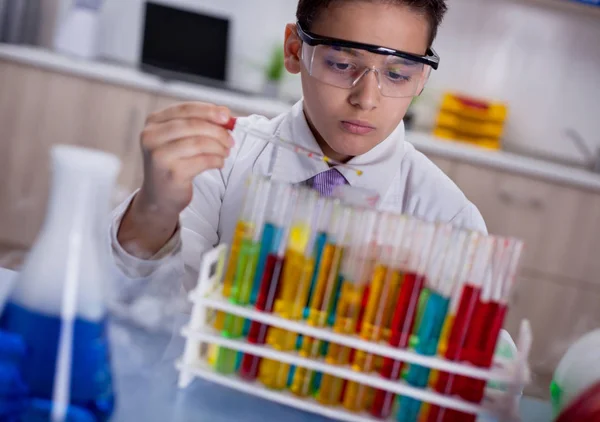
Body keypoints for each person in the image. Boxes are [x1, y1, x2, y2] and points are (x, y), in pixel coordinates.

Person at [111, 0, 486, 294]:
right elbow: (149, 307)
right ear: (294, 50)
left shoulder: (449, 219)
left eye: (397, 74)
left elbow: (480, 371)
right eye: (341, 64)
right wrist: (154, 211)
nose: (367, 98)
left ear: (421, 78)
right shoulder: (222, 158)